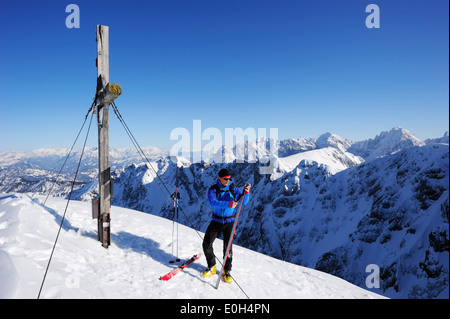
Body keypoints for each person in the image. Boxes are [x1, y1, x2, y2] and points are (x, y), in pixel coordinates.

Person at [202, 168, 251, 283]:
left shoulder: (234, 189)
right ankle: (212, 266)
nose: (228, 180)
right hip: (216, 220)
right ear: (220, 178)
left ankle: (227, 270)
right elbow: (212, 202)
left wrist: (246, 193)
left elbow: (244, 202)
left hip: (229, 222)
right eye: (225, 179)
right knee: (206, 244)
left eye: (229, 178)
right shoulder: (213, 189)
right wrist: (229, 204)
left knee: (228, 248)